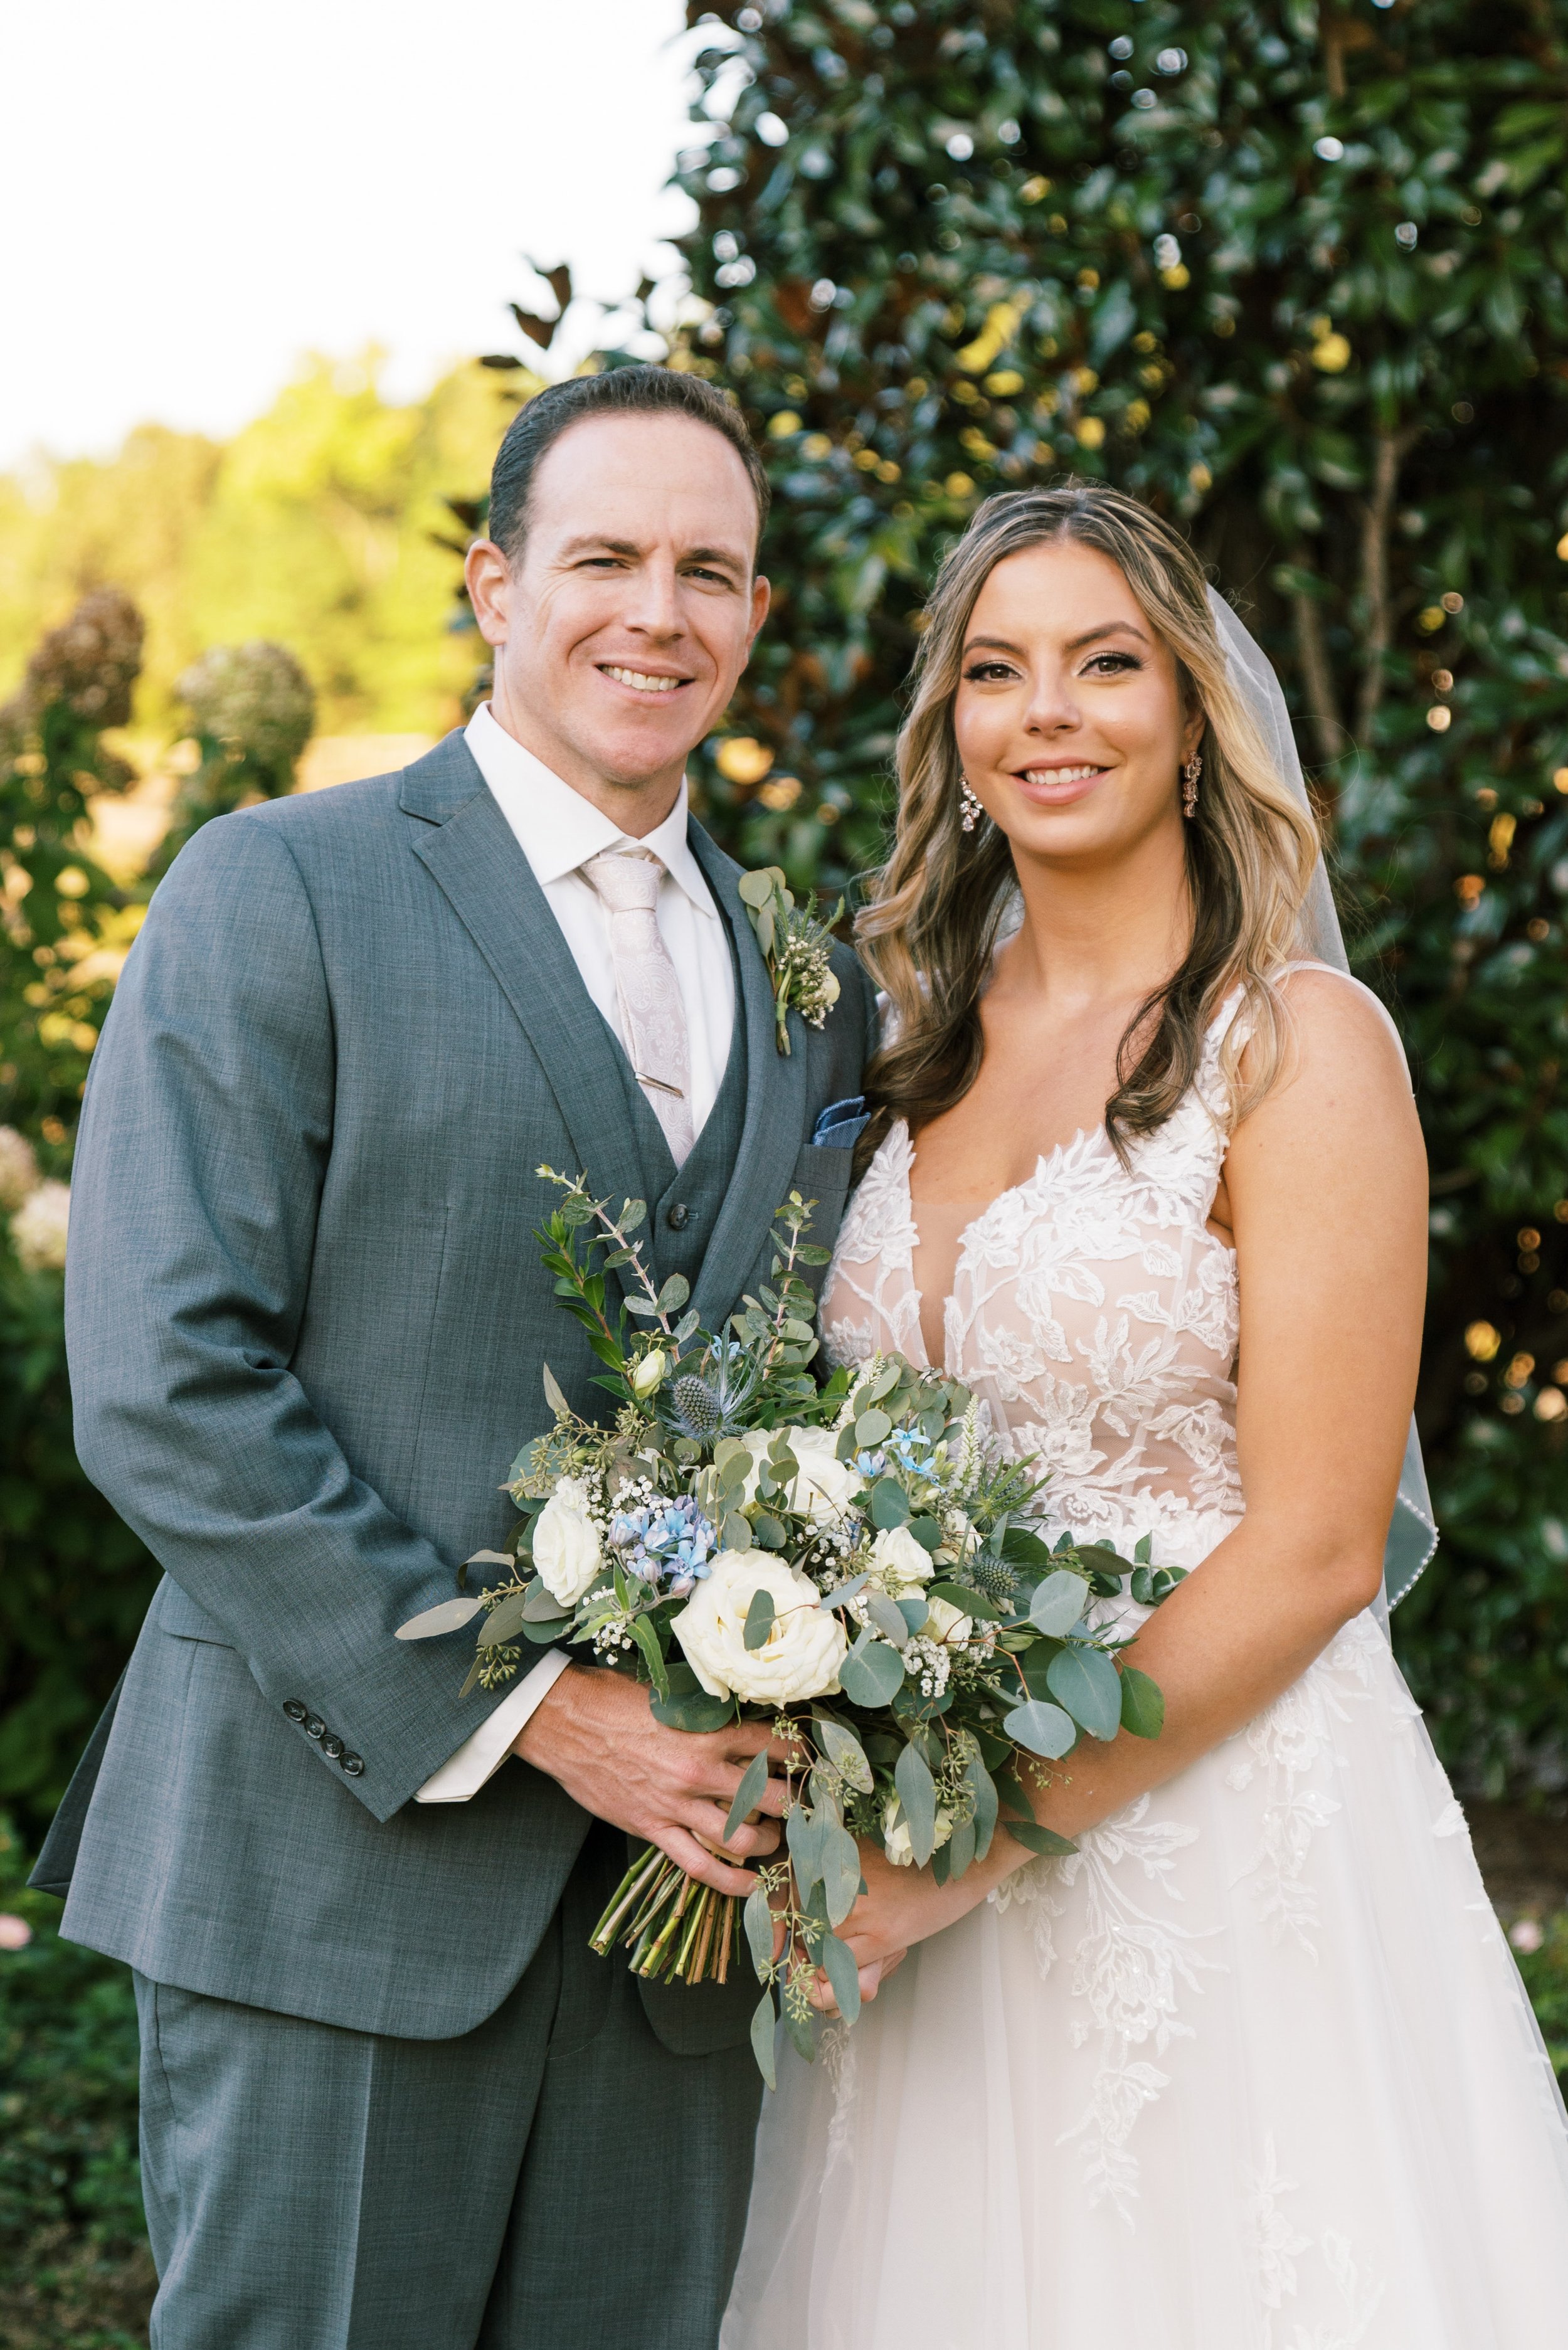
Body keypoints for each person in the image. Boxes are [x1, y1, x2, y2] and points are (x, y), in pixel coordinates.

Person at [31, 365, 877, 2350]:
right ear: (493, 584)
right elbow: (165, 1373)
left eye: (707, 570)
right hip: (329, 1881)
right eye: (601, 557)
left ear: (756, 618)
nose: (653, 611)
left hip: (672, 1933)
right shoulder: (280, 884)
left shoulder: (806, 972)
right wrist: (539, 1716)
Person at [721, 484, 1568, 2348]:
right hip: (908, 1837)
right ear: (949, 725)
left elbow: (1323, 1540)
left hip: (1209, 1830)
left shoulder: (1296, 1045)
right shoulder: (889, 1041)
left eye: (1106, 664)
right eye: (998, 671)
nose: (1050, 713)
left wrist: (985, 1844)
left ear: (1190, 715)